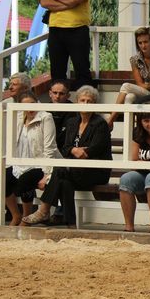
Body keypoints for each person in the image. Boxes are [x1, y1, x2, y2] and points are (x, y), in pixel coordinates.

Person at [22, 86, 112, 228]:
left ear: (95, 104)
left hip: (95, 171)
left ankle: (44, 210)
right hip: (74, 170)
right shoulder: (72, 122)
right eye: (82, 100)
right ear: (77, 102)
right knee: (64, 183)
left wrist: (75, 151)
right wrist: (74, 149)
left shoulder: (100, 124)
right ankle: (71, 224)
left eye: (90, 101)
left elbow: (94, 150)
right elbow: (65, 147)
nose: (86, 104)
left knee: (60, 171)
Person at [38, 0, 94, 89]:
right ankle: (58, 106)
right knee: (57, 71)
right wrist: (68, 2)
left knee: (82, 70)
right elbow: (44, 2)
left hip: (77, 30)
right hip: (56, 31)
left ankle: (86, 104)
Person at [6, 91, 61, 226]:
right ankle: (16, 215)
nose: (29, 108)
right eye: (25, 105)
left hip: (40, 164)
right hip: (20, 162)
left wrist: (47, 174)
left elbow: (50, 148)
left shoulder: (45, 117)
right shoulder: (18, 119)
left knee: (24, 181)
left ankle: (26, 217)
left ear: (37, 103)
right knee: (3, 179)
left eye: (32, 104)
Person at [107, 27, 150, 128]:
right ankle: (131, 132)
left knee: (125, 86)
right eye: (140, 43)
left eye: (146, 42)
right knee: (129, 97)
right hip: (143, 91)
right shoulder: (134, 59)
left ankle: (111, 118)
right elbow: (139, 84)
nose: (143, 45)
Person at [47, 79, 73, 153]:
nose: (57, 96)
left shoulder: (75, 113)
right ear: (50, 93)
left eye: (61, 93)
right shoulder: (43, 111)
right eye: (55, 93)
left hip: (67, 153)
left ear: (68, 95)